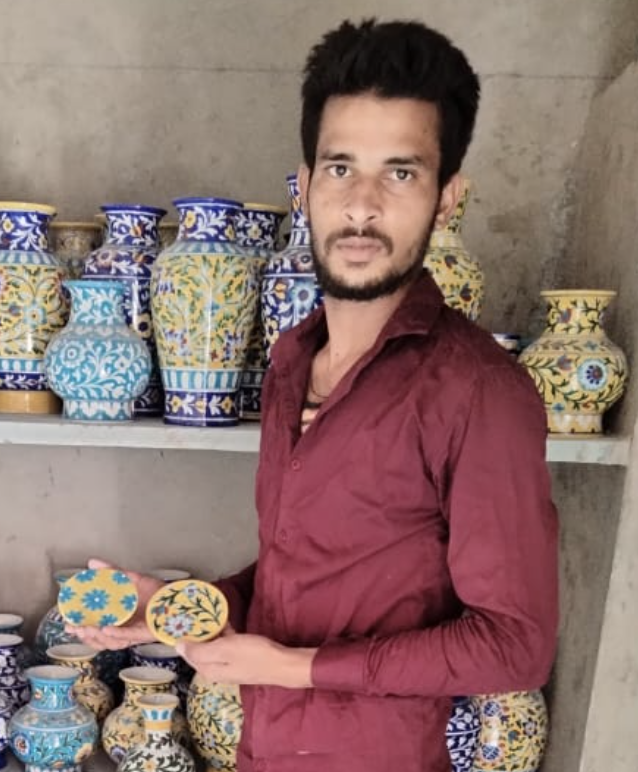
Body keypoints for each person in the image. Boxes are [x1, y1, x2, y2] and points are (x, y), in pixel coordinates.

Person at [70, 17, 559, 772]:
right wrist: (175, 609)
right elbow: (303, 575)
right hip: (261, 752)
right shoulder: (293, 361)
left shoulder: (479, 391)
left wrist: (294, 668)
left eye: (401, 173)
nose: (362, 205)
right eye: (340, 168)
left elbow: (514, 645)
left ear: (447, 198)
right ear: (304, 187)